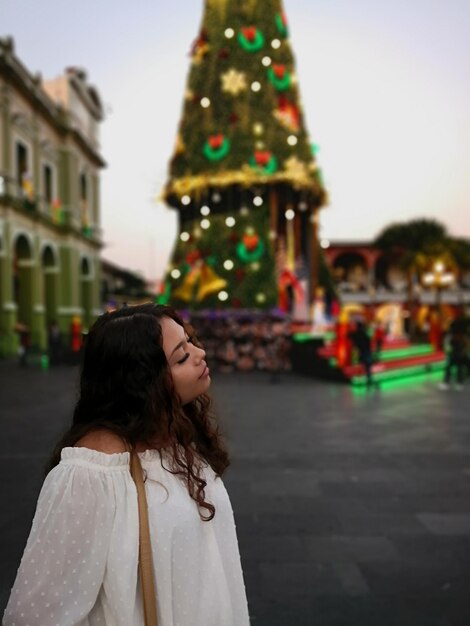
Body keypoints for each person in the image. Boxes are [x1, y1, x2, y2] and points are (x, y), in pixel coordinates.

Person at [3, 303, 250, 626]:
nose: (200, 353)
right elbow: (35, 614)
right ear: (144, 381)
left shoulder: (173, 438)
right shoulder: (90, 475)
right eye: (181, 356)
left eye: (190, 342)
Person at [439, 320, 468, 391]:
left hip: (456, 354)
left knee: (454, 368)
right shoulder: (458, 336)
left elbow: (447, 345)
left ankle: (449, 382)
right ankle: (457, 382)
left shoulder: (457, 336)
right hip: (456, 354)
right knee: (456, 368)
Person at [349, 320, 374, 386]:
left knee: (362, 365)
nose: (352, 326)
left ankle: (361, 379)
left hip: (362, 352)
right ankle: (368, 379)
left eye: (354, 325)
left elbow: (350, 337)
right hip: (366, 351)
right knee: (367, 366)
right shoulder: (364, 333)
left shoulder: (356, 334)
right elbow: (368, 341)